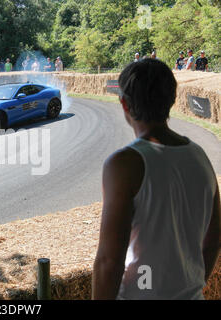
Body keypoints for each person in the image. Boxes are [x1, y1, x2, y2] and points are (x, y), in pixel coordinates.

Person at [92, 58, 220, 300]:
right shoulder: (200, 156)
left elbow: (109, 261)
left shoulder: (122, 163)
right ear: (172, 100)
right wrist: (189, 287)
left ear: (124, 104)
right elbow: (214, 239)